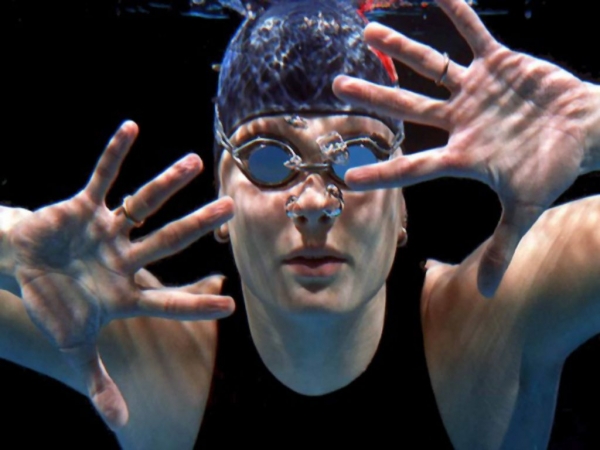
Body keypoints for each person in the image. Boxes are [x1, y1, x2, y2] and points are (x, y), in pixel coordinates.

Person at [1, 0, 599, 448]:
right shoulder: (152, 358)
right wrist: (11, 251)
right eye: (268, 159)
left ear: (403, 206)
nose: (314, 202)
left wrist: (590, 129)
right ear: (222, 194)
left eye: (357, 156)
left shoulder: (496, 322)